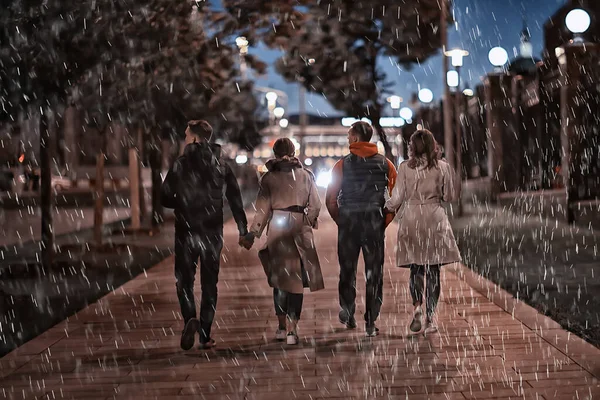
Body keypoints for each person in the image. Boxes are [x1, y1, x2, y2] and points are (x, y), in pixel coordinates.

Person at [161, 120, 248, 350]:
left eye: (186, 134)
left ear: (194, 138)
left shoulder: (180, 164)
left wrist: (182, 201)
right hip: (212, 231)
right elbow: (235, 197)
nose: (185, 138)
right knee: (210, 283)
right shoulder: (221, 163)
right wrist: (242, 228)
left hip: (186, 231)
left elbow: (164, 197)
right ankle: (206, 335)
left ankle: (190, 318)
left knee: (184, 281)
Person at [241, 138, 324, 345]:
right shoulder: (306, 175)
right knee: (297, 280)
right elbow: (315, 204)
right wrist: (309, 220)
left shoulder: (269, 178)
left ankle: (280, 326)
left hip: (277, 225)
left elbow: (262, 210)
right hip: (299, 226)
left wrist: (253, 233)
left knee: (279, 280)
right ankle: (292, 329)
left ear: (275, 153)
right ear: (294, 151)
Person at [384, 129, 461, 335]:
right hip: (434, 218)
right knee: (434, 270)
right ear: (432, 145)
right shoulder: (442, 167)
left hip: (411, 219)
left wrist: (386, 201)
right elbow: (450, 196)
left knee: (416, 268)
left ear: (412, 147)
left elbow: (396, 199)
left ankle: (417, 306)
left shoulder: (404, 168)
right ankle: (430, 317)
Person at [325, 121, 398, 337]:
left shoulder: (341, 165)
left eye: (349, 135)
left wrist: (342, 220)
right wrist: (383, 220)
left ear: (356, 138)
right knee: (374, 272)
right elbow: (395, 199)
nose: (348, 139)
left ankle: (348, 311)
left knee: (347, 270)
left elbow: (330, 199)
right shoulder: (386, 164)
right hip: (374, 222)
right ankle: (370, 320)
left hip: (348, 221)